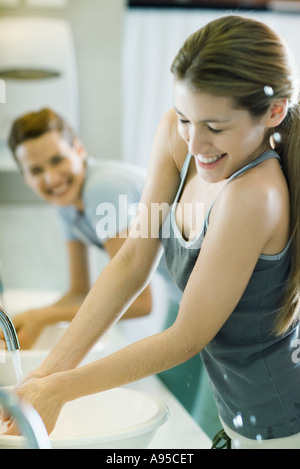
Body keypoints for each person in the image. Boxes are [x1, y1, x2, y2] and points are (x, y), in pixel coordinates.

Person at [3, 14, 300, 449]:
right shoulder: (177, 135)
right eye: (185, 117)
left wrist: (59, 391)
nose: (194, 145)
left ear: (273, 113)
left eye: (215, 128)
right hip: (237, 410)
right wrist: (43, 377)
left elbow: (185, 337)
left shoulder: (254, 195)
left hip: (281, 422)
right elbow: (131, 262)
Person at [4, 108, 220, 437]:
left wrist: (45, 318)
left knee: (207, 428)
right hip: (184, 299)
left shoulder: (101, 189)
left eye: (57, 160)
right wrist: (36, 317)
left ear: (79, 150)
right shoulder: (68, 205)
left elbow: (139, 300)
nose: (51, 177)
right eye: (36, 170)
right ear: (25, 175)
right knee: (182, 419)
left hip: (220, 301)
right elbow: (79, 290)